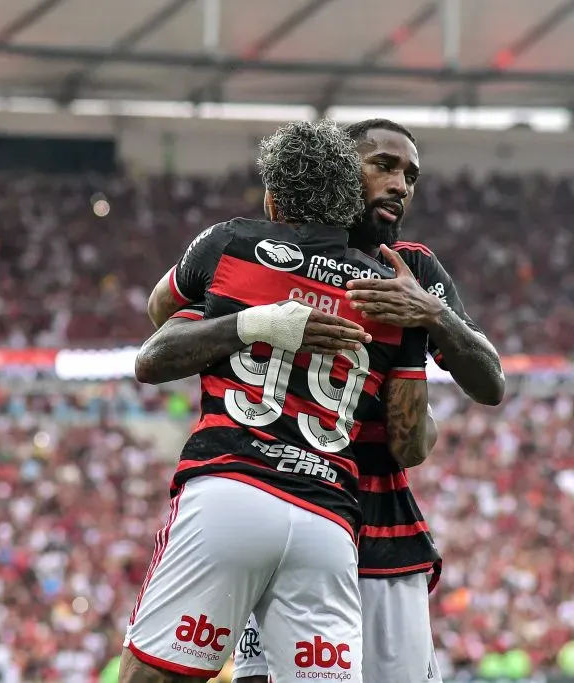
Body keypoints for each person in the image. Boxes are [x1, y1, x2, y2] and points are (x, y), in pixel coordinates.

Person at [141, 118, 505, 683]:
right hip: (306, 508)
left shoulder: (413, 271)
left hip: (374, 526)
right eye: (384, 165)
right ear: (339, 166)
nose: (401, 185)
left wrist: (433, 315)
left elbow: (489, 385)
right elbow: (167, 330)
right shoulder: (260, 255)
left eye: (411, 175)